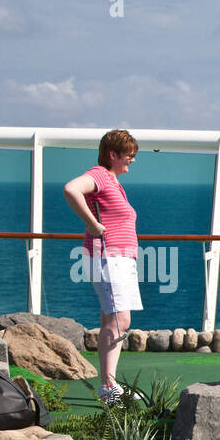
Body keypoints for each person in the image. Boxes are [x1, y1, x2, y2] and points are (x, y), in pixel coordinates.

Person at [63, 129, 142, 405]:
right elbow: (71, 189)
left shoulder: (112, 180)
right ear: (113, 155)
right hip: (108, 256)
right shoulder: (99, 174)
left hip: (119, 258)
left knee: (115, 319)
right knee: (119, 320)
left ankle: (110, 384)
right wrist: (92, 224)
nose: (132, 160)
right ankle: (108, 386)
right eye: (129, 155)